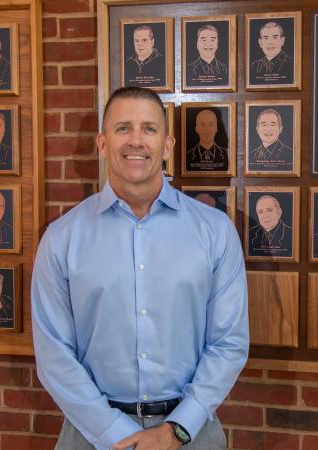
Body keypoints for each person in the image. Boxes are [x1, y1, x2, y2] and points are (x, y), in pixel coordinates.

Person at [31, 87, 248, 450]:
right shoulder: (62, 238)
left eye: (149, 128)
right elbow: (54, 355)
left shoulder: (215, 231)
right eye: (123, 128)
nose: (136, 140)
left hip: (191, 434)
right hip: (91, 435)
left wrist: (177, 429)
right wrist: (116, 434)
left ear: (167, 145)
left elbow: (229, 342)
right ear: (102, 144)